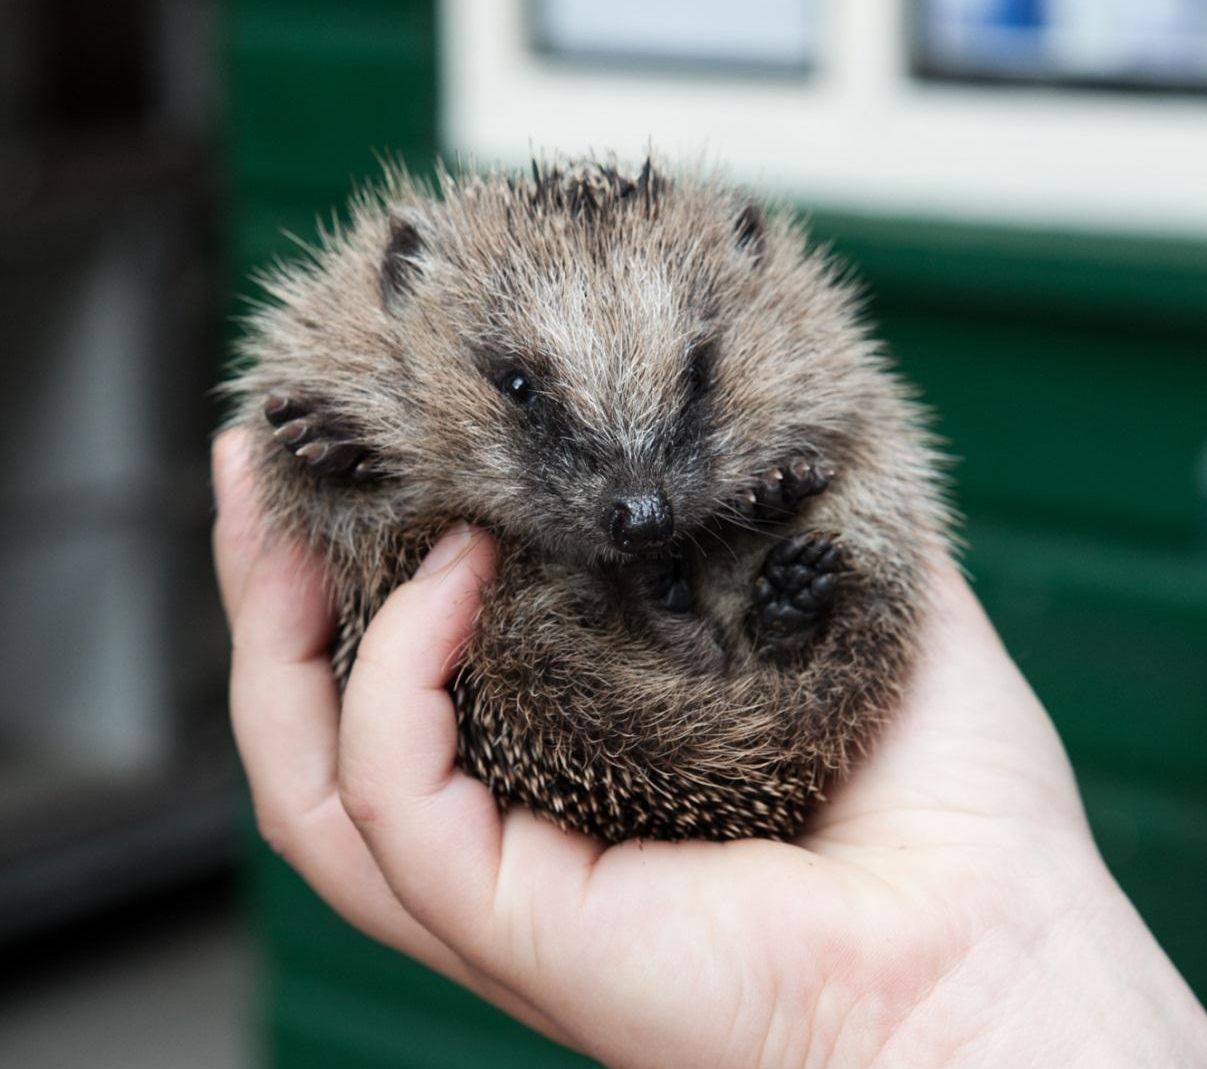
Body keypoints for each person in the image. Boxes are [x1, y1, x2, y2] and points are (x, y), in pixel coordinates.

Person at [212, 429, 1206, 1068]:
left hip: (672, 669)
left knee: (778, 550)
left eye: (684, 388)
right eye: (525, 391)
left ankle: (703, 629)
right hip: (558, 660)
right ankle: (698, 629)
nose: (635, 500)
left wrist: (923, 999)